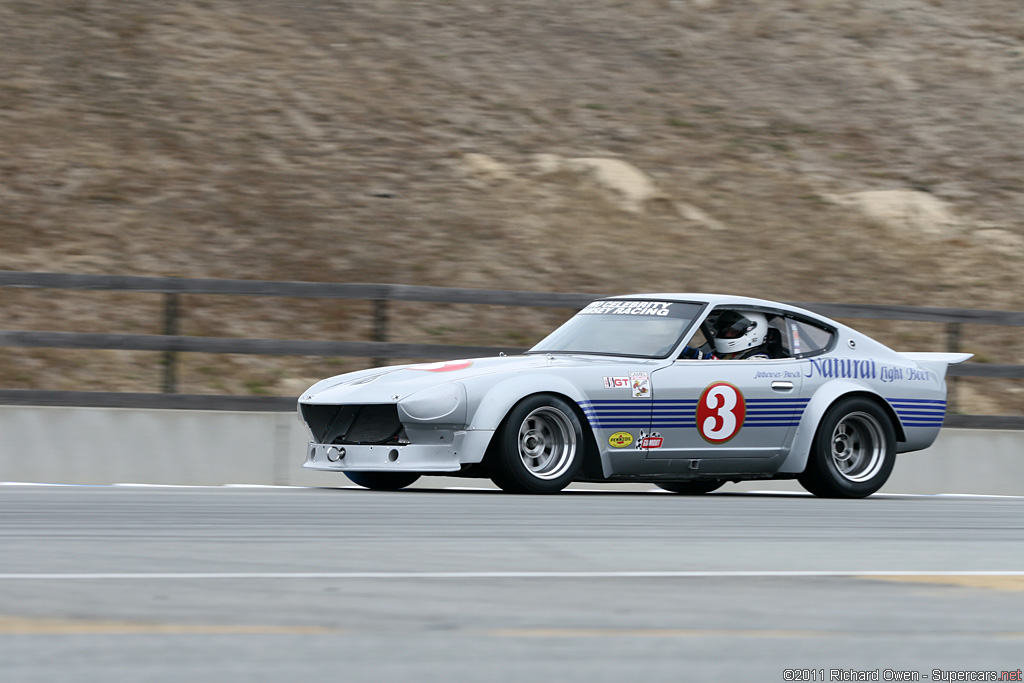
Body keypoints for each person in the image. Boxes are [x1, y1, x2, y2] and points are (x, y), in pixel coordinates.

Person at [681, 310, 771, 360]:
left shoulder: (759, 360)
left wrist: (699, 355)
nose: (727, 334)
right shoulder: (727, 354)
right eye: (725, 330)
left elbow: (733, 373)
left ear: (753, 332)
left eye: (734, 331)